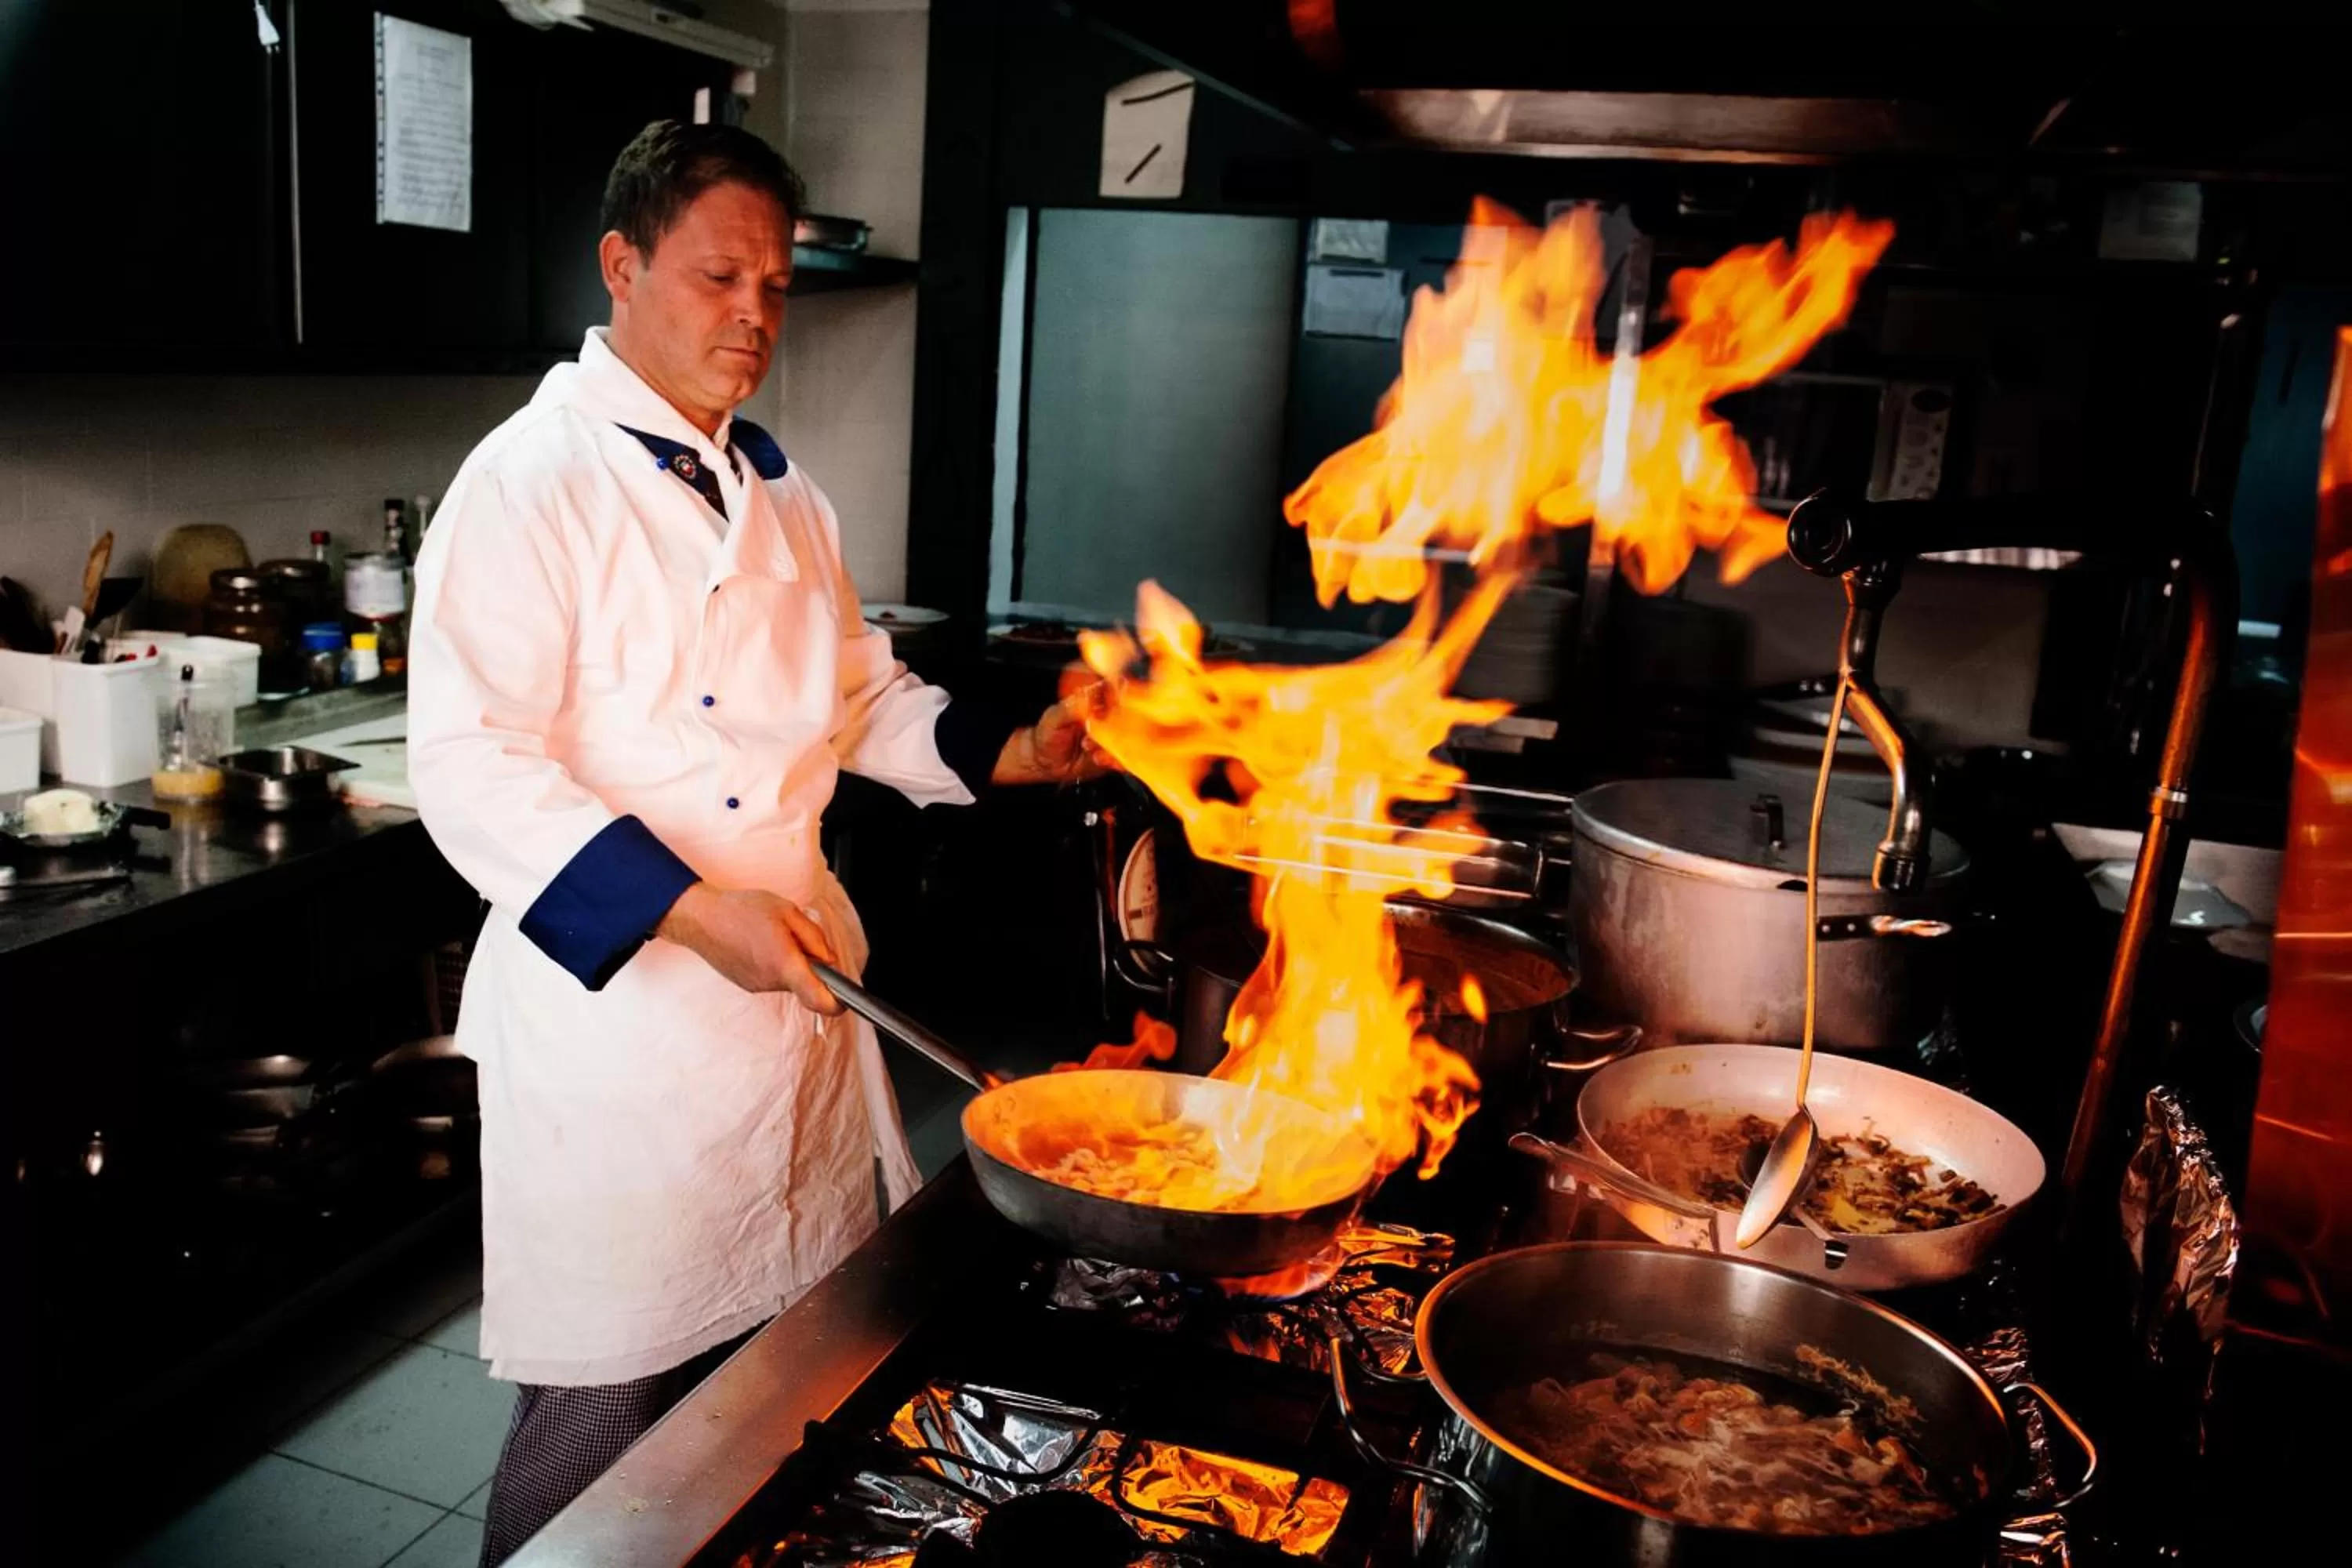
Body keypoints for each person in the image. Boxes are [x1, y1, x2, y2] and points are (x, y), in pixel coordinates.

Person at [407, 120, 1099, 1566]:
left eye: (776, 287)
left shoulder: (781, 486)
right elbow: (469, 765)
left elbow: (856, 696)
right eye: (721, 276)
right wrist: (685, 910)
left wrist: (1016, 751)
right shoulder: (529, 481)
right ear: (623, 265)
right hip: (626, 1036)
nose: (754, 316)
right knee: (608, 1407)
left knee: (778, 1376)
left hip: (795, 1005)